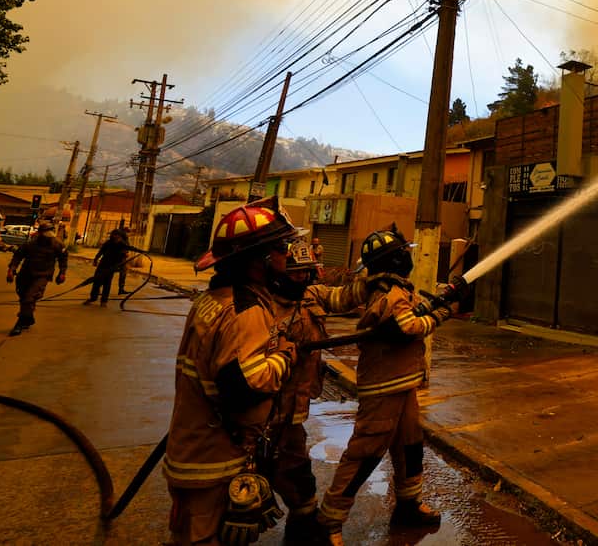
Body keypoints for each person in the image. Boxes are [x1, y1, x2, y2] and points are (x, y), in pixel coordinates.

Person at [315, 226, 467, 543]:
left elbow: (342, 297)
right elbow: (407, 327)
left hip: (403, 383)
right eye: (405, 252)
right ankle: (329, 520)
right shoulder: (389, 294)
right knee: (366, 451)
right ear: (396, 259)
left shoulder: (384, 286)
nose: (409, 256)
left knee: (409, 445)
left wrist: (440, 301)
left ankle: (408, 505)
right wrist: (441, 313)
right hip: (384, 385)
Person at [163, 198, 299, 546]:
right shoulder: (245, 310)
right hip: (215, 458)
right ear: (261, 259)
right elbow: (245, 387)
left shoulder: (215, 299)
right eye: (282, 247)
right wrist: (285, 356)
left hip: (194, 447)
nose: (288, 254)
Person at [264, 238, 369, 543]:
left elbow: (342, 298)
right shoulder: (261, 307)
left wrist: (371, 283)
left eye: (305, 273)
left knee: (295, 469)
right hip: (263, 409)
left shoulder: (311, 296)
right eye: (294, 273)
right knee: (254, 470)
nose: (301, 278)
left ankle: (302, 525)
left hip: (294, 409)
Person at [6, 219, 67, 336]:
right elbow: (18, 256)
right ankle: (28, 318)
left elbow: (63, 259)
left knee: (29, 298)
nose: (47, 237)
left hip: (42, 276)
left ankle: (19, 323)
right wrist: (11, 269)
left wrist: (62, 273)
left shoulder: (57, 244)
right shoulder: (30, 244)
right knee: (24, 297)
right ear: (40, 233)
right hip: (25, 274)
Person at [84, 227, 131, 306]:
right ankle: (93, 298)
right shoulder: (108, 243)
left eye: (118, 236)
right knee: (96, 282)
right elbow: (101, 251)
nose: (116, 237)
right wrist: (96, 259)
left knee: (107, 283)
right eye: (114, 235)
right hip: (103, 264)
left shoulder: (122, 245)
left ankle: (104, 301)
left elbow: (126, 253)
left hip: (112, 267)